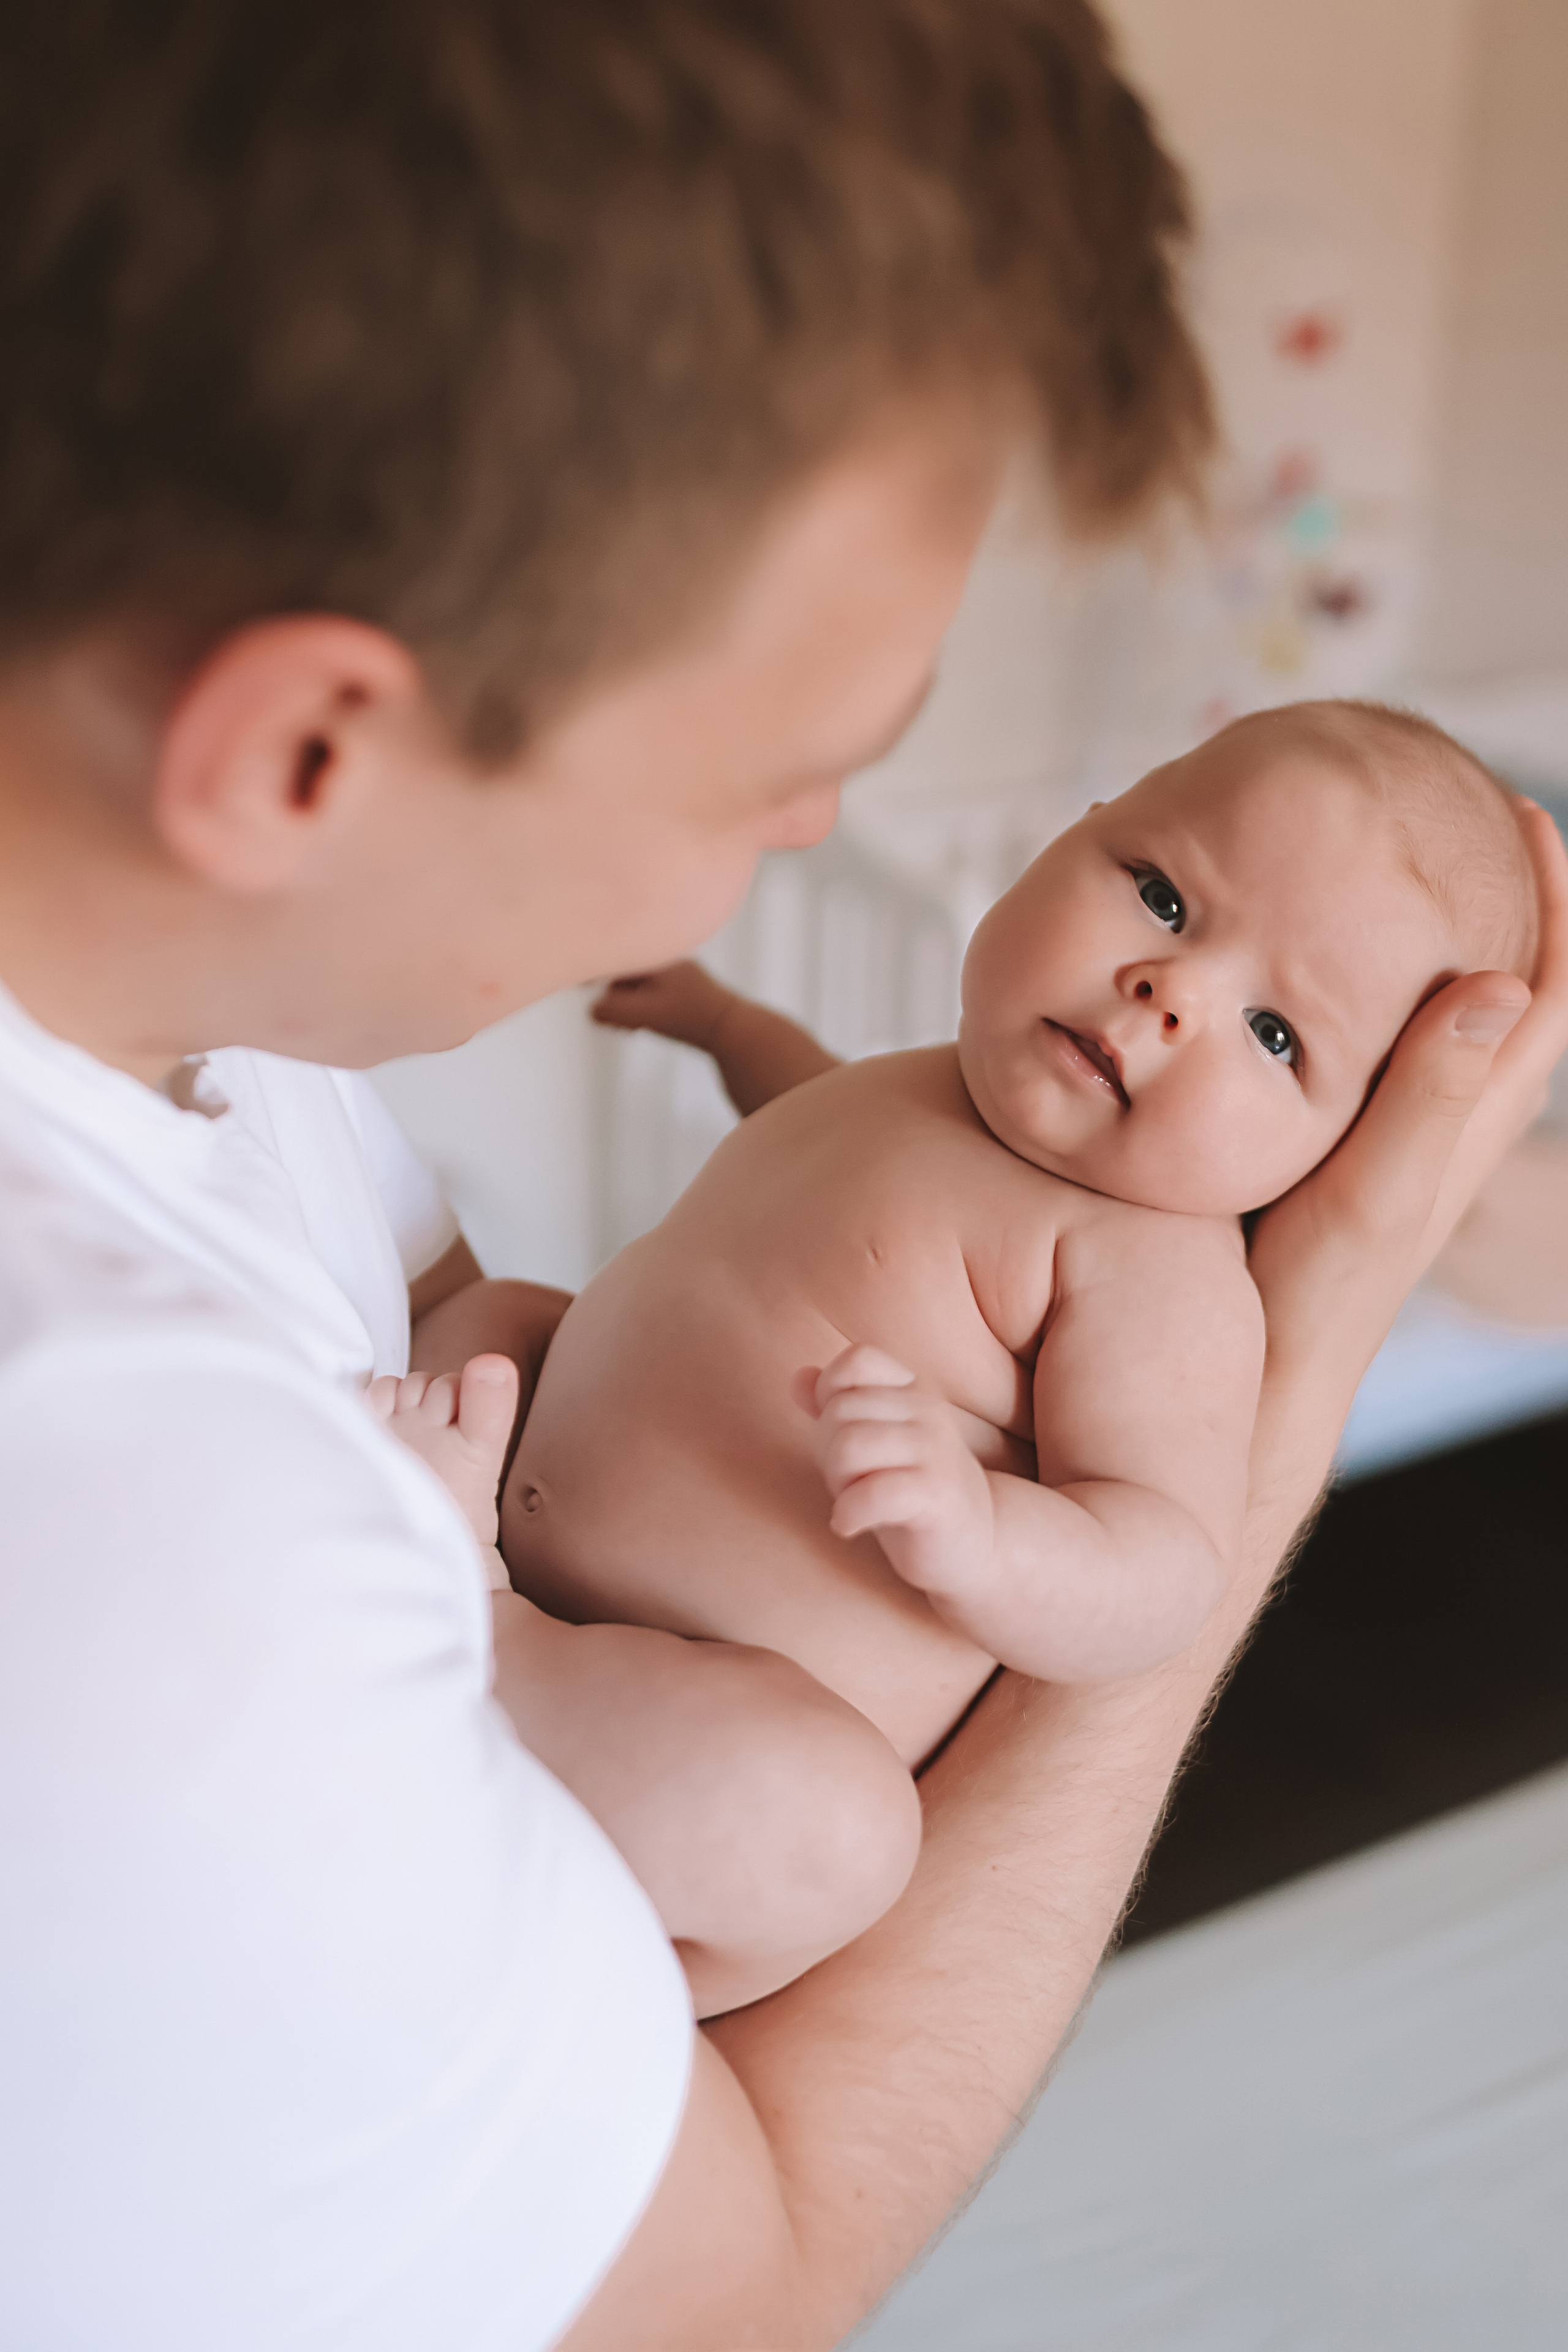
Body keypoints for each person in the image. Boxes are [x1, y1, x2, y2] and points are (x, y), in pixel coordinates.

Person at [0, 6, 1564, 2350]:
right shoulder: (143, 1551)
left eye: (1269, 1030)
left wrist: (1076, 1473)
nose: (810, 831)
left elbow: (1123, 1551)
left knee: (830, 1822)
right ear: (307, 747)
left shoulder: (219, 1061)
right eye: (773, 770)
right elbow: (737, 2292)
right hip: (541, 1577)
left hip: (700, 1665)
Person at [382, 700, 1538, 2021]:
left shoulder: (1151, 1272)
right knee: (508, 1320)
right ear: (1077, 833)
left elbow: (1161, 1559)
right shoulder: (933, 1086)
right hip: (548, 1506)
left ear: (1335, 1148)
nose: (1172, 991)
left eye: (1275, 1036)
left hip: (693, 1704)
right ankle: (444, 1591)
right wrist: (723, 1025)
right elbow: (816, 1122)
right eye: (1160, 894)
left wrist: (976, 1529)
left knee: (834, 1831)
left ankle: (471, 1628)